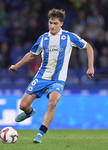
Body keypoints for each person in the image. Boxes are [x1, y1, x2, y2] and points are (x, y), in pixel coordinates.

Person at [9, 8, 94, 143]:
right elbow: (32, 54)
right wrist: (16, 66)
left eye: (55, 23)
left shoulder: (69, 37)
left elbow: (88, 47)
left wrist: (90, 67)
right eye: (50, 23)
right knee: (23, 105)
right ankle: (29, 112)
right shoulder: (43, 38)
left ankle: (40, 133)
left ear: (61, 23)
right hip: (42, 76)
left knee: (53, 102)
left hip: (58, 78)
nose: (52, 26)